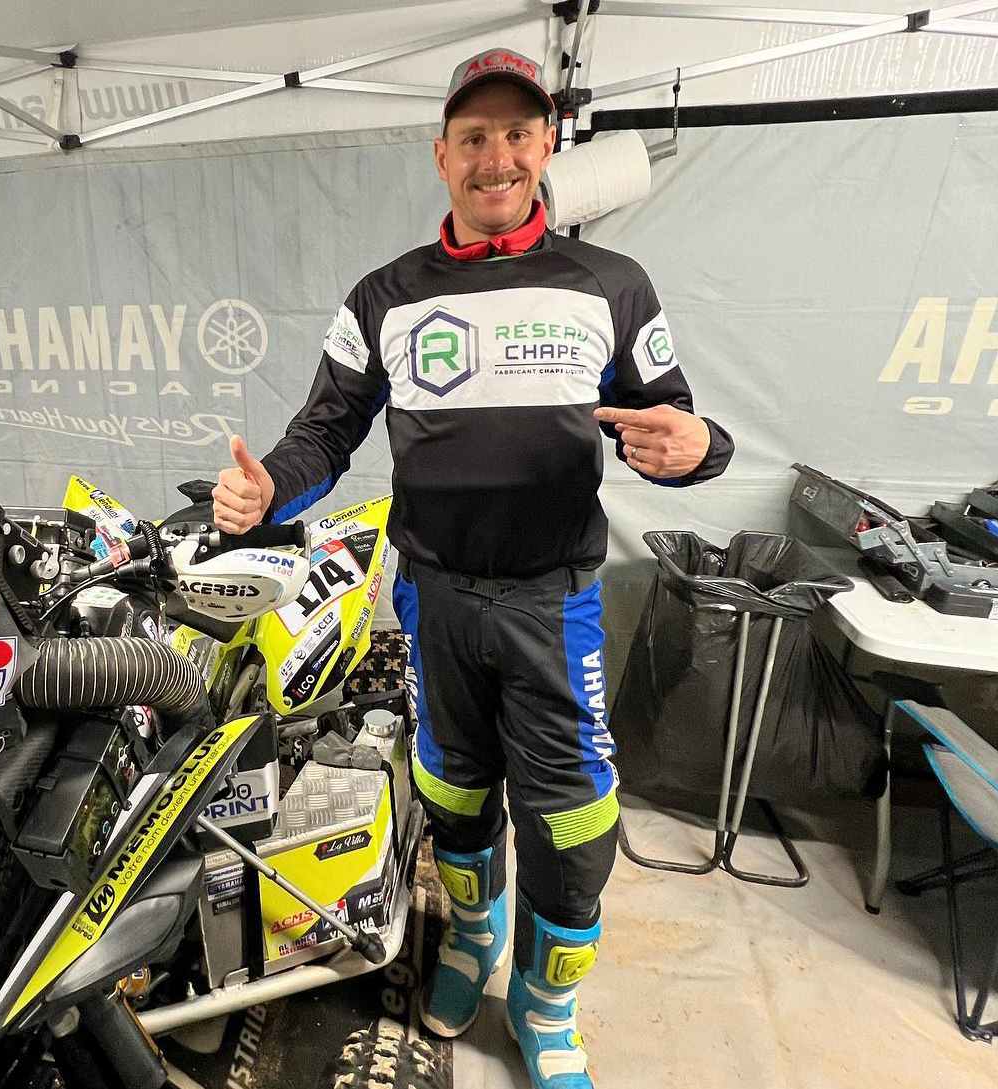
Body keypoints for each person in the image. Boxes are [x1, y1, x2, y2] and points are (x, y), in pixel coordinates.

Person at [211, 47, 733, 1088]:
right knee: (451, 794)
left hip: (555, 604)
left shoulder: (612, 285)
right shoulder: (384, 296)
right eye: (476, 137)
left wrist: (701, 448)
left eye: (518, 134)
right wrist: (269, 489)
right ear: (441, 155)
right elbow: (324, 431)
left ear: (548, 145)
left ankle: (546, 1007)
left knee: (574, 826)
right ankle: (472, 939)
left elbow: (671, 424)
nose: (498, 157)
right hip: (434, 599)